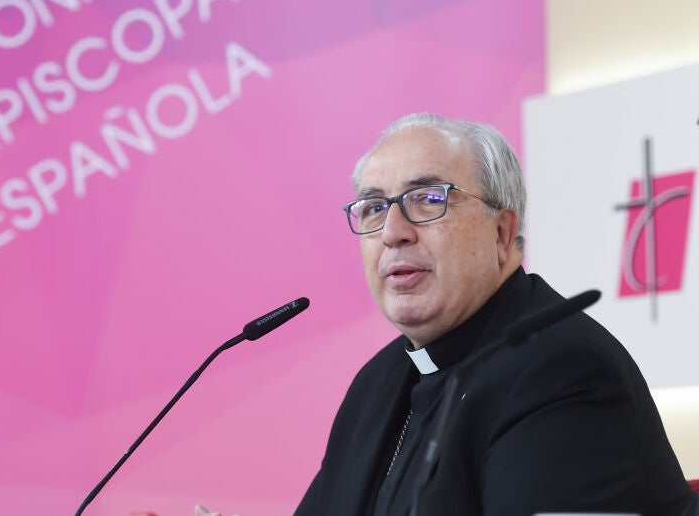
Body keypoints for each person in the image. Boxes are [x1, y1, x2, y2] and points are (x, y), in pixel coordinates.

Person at [295, 113, 693, 516]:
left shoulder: (561, 369)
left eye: (428, 199)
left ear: (501, 233)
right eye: (374, 207)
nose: (392, 232)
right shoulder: (376, 382)